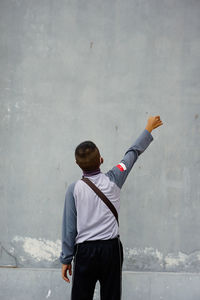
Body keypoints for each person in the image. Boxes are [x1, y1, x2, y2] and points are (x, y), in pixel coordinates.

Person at [60, 115, 163, 300]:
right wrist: (148, 128)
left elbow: (69, 229)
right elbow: (132, 154)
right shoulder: (116, 177)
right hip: (111, 250)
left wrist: (66, 259)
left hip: (84, 253)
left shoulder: (73, 190)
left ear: (77, 164)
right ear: (101, 159)